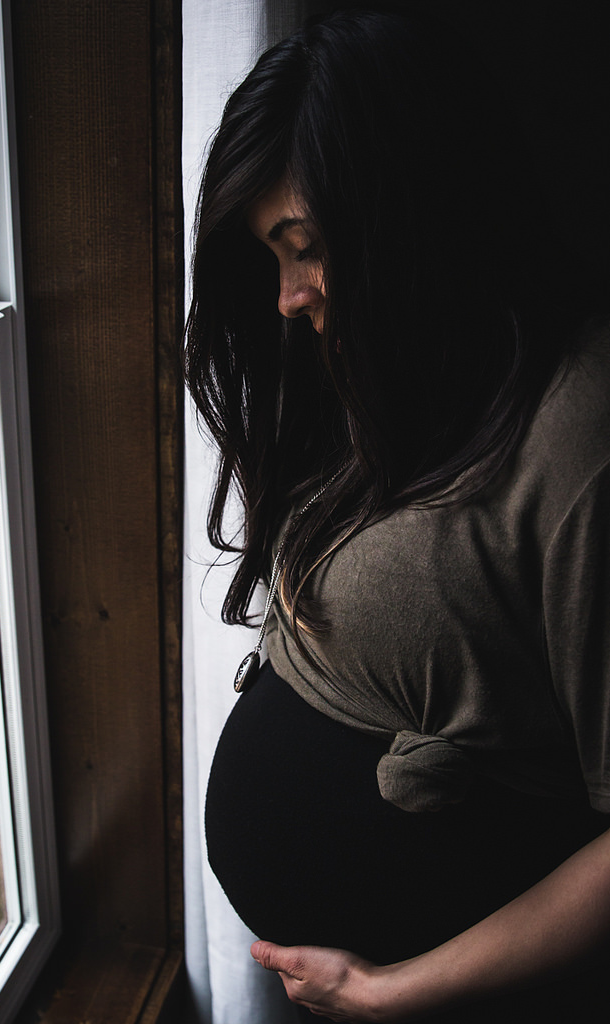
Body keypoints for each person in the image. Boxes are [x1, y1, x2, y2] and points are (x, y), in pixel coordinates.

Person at [183, 8, 610, 1022]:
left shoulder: (582, 434)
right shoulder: (396, 369)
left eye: (305, 248)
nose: (287, 297)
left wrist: (391, 991)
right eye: (270, 257)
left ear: (415, 218)